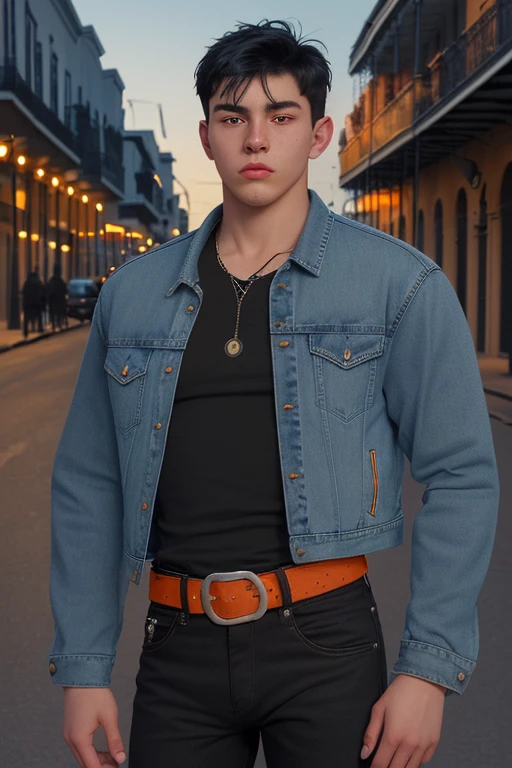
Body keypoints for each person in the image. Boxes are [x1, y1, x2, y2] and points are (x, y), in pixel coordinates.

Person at [49, 20, 500, 768]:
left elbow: (463, 472)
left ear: (318, 134)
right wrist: (84, 665)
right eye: (234, 118)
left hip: (327, 642)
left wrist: (428, 666)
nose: (256, 140)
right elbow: (87, 486)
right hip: (179, 647)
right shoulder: (131, 296)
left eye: (280, 117)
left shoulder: (399, 284)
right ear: (207, 136)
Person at [22, 266, 44, 337]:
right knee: (39, 316)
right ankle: (40, 329)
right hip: (37, 303)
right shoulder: (38, 282)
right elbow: (42, 292)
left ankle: (25, 331)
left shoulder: (27, 283)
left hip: (28, 303)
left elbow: (24, 292)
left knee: (26, 318)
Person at [47, 264, 68, 331]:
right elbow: (65, 291)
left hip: (53, 300)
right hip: (59, 300)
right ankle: (58, 324)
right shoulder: (60, 281)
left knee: (53, 313)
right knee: (59, 313)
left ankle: (54, 325)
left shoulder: (52, 281)